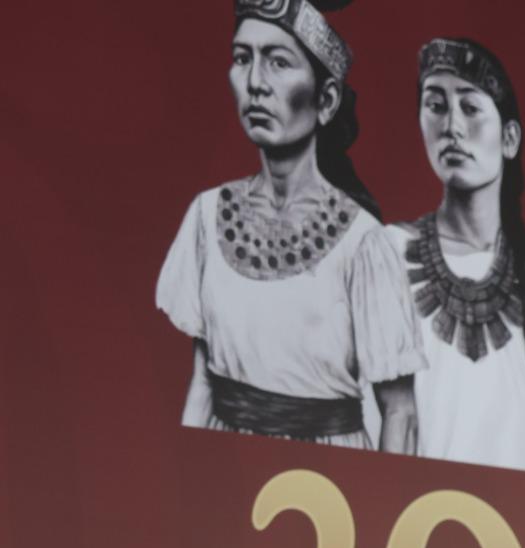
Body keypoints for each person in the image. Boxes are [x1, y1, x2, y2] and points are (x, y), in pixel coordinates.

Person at [156, 0, 424, 451]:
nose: (256, 83)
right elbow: (203, 382)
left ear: (327, 99)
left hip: (330, 485)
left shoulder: (363, 243)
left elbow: (400, 411)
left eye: (279, 62)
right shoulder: (205, 217)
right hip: (228, 472)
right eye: (243, 58)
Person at [385, 38, 525, 476]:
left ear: (509, 138)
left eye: (469, 108)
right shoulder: (385, 257)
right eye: (436, 106)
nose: (451, 127)